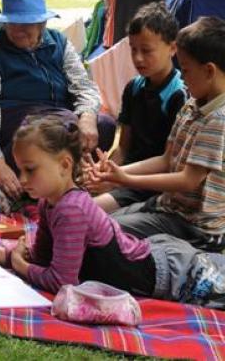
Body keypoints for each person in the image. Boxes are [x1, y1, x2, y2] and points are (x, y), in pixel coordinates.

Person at [0, 115, 225, 309]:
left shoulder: (72, 210)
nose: (22, 179)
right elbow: (44, 260)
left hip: (174, 275)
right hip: (157, 262)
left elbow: (60, 281)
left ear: (65, 165)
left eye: (30, 169)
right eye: (20, 169)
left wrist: (20, 265)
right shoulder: (49, 203)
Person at [0, 0, 114, 211]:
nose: (19, 29)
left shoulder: (59, 43)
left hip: (61, 118)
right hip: (17, 126)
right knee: (64, 124)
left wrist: (87, 116)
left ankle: (29, 193)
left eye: (26, 23)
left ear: (42, 23)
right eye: (13, 22)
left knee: (104, 125)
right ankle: (40, 191)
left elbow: (84, 87)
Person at [92, 16, 225, 253]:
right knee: (92, 220)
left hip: (193, 226)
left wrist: (126, 179)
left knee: (102, 234)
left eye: (185, 69)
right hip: (167, 206)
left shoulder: (218, 119)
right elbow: (167, 159)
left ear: (209, 71)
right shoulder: (193, 104)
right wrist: (116, 173)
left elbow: (188, 180)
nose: (182, 76)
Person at [92, 2, 187, 213]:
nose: (138, 58)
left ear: (172, 48)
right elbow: (124, 146)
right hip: (127, 175)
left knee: (91, 211)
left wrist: (119, 178)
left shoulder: (179, 95)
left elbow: (170, 161)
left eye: (146, 50)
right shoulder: (133, 88)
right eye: (133, 50)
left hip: (154, 184)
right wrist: (106, 170)